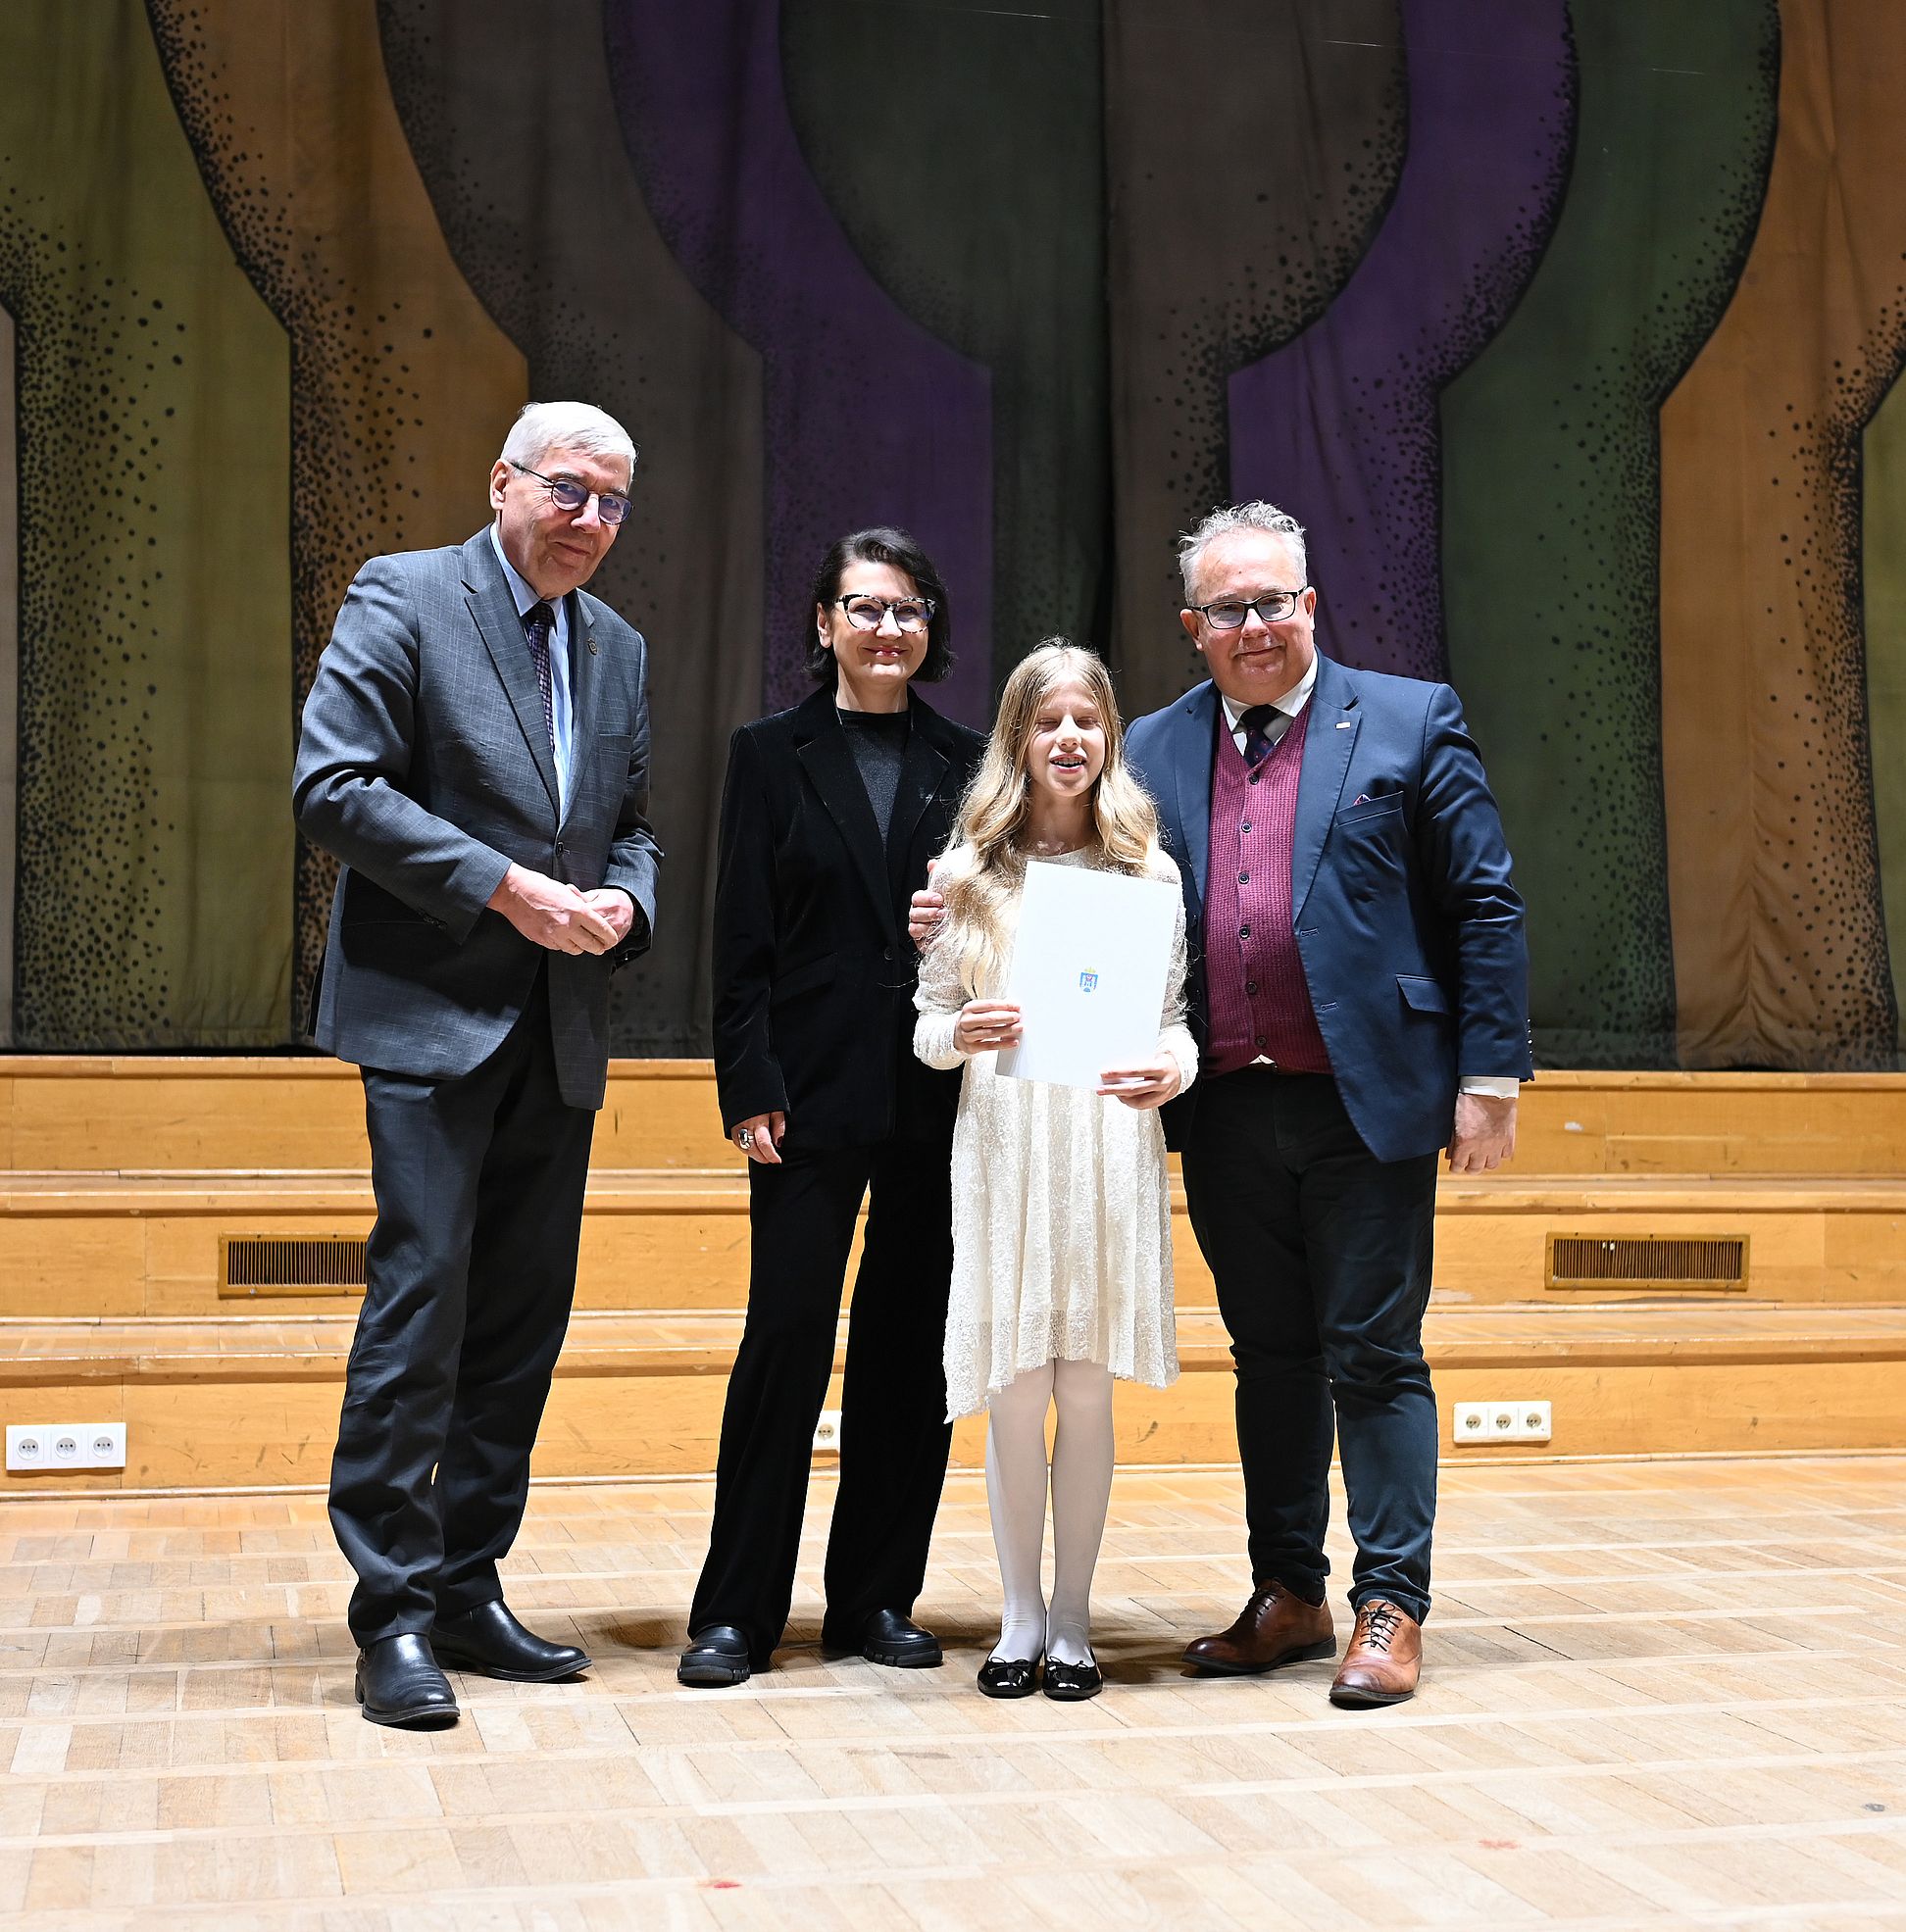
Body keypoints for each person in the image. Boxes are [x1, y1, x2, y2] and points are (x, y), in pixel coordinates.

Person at [912, 502, 1530, 1707]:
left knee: (1374, 1354)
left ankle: (1391, 1603)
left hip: (1366, 1100)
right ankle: (1288, 1591)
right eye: (1227, 608)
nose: (1253, 625)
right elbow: (1084, 889)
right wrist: (952, 913)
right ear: (1193, 626)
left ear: (1311, 605)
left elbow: (1485, 905)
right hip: (1227, 1111)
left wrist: (1490, 1082)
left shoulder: (1409, 718)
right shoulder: (1155, 743)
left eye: (1273, 602)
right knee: (1273, 1359)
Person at [292, 401, 661, 1728]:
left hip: (560, 1025)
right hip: (429, 1016)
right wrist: (508, 887)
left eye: (613, 503)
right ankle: (390, 1613)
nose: (590, 520)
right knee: (423, 1304)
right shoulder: (404, 595)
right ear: (502, 478)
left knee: (519, 1320)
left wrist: (627, 899)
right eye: (569, 489)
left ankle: (466, 1583)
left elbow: (630, 827)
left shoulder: (617, 645)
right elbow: (335, 786)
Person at [677, 528, 986, 1688]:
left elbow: (1008, 920)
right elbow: (740, 938)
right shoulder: (768, 753)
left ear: (930, 626)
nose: (887, 628)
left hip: (936, 1090)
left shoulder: (974, 762)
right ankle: (736, 1613)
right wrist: (747, 1084)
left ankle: (875, 1599)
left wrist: (964, 930)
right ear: (825, 624)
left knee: (909, 1350)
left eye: (908, 609)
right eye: (865, 608)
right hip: (803, 1096)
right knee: (786, 1340)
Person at [914, 642, 1195, 1703]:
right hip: (1006, 1148)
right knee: (1014, 1389)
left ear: (1109, 736)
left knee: (1083, 1388)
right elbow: (927, 1028)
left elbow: (1173, 1026)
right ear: (1017, 738)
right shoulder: (967, 871)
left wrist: (1173, 1070)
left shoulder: (1146, 870)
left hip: (1105, 1148)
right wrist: (962, 1033)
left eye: (1086, 720)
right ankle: (1018, 1616)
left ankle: (1073, 1620)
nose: (1068, 738)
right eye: (1047, 721)